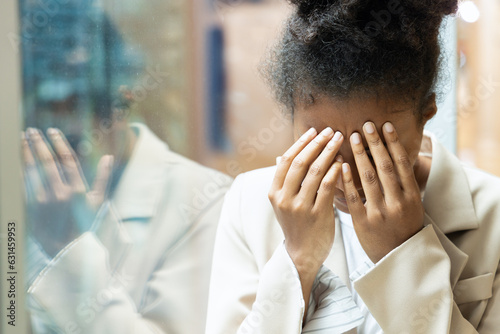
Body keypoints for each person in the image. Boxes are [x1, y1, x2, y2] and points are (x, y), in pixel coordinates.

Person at [206, 0, 500, 333]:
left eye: (374, 150)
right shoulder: (249, 202)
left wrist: (402, 254)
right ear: (291, 114)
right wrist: (298, 258)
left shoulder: (493, 212)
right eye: (325, 148)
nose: (350, 179)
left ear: (426, 113)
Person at [23, 106, 232, 333]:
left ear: (121, 104)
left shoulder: (206, 198)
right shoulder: (30, 195)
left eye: (74, 103)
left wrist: (66, 243)